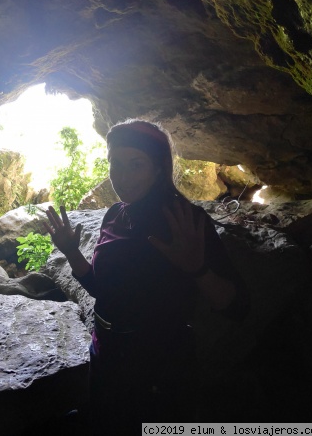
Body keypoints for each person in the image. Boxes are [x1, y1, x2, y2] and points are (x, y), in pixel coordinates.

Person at [44, 119, 248, 434]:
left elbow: (238, 308)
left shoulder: (183, 220)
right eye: (115, 164)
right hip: (106, 350)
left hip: (158, 365)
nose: (121, 176)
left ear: (158, 168)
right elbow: (104, 290)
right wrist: (72, 252)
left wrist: (198, 269)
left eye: (135, 164)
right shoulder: (115, 215)